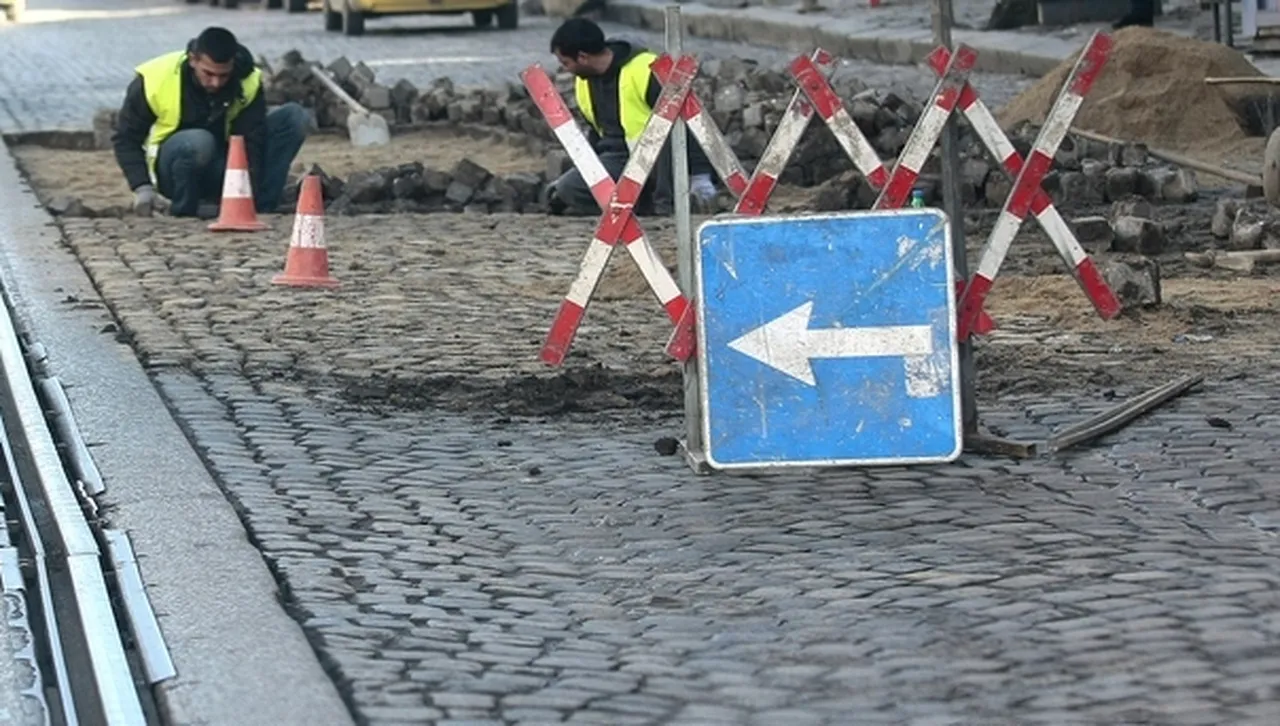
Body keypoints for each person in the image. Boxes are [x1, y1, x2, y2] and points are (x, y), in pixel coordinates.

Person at [112, 27, 310, 219]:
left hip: (223, 167)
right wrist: (142, 188)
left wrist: (247, 194)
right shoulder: (155, 79)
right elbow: (125, 138)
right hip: (174, 168)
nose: (216, 83)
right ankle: (185, 209)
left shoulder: (247, 80)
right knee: (200, 141)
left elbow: (251, 140)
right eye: (208, 74)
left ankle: (262, 205)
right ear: (192, 60)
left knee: (293, 118)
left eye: (223, 75)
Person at [546, 17, 718, 216]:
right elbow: (596, 133)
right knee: (569, 188)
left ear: (583, 57)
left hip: (655, 157)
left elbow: (687, 120)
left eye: (565, 62)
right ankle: (636, 209)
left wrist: (700, 176)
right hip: (617, 158)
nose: (564, 69)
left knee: (663, 137)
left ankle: (663, 210)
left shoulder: (645, 70)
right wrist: (583, 172)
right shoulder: (583, 82)